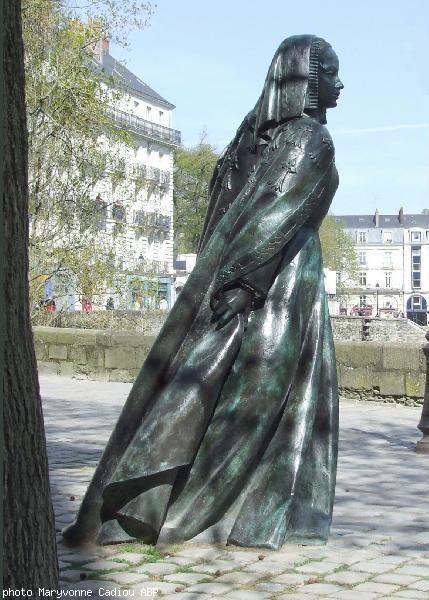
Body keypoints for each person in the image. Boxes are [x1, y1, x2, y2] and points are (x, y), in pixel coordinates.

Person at [63, 35, 343, 550]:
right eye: (331, 75)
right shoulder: (300, 139)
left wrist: (229, 279)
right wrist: (242, 281)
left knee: (211, 393)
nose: (340, 86)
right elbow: (270, 215)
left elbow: (253, 213)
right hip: (270, 284)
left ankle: (165, 511)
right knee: (243, 403)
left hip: (257, 280)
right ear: (306, 79)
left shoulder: (265, 139)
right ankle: (189, 514)